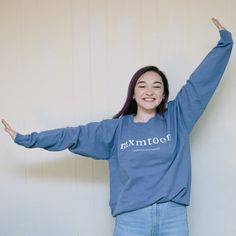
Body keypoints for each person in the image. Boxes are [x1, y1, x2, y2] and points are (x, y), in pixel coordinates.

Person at [2, 18, 233, 236]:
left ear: (164, 94)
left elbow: (199, 84)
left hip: (173, 216)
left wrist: (224, 44)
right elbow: (73, 135)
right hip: (131, 220)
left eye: (156, 86)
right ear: (133, 93)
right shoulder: (115, 130)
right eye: (142, 86)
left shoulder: (177, 116)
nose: (149, 91)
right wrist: (26, 139)